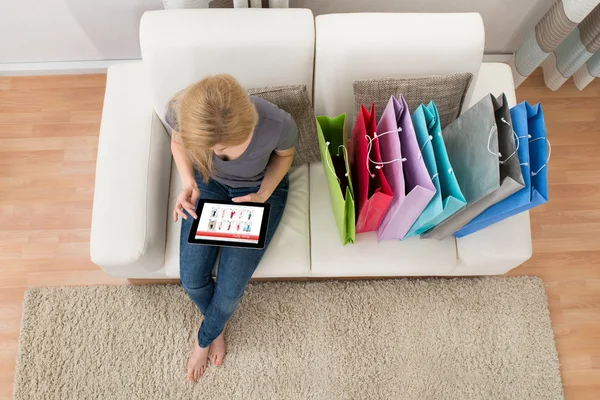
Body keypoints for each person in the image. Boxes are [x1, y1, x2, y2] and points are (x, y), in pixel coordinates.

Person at [167, 74, 297, 381]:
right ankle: (218, 326)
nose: (220, 151)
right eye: (211, 146)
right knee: (192, 280)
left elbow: (285, 156)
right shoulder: (181, 110)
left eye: (225, 146)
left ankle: (205, 337)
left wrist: (263, 195)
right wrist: (187, 183)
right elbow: (177, 142)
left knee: (229, 290)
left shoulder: (278, 124)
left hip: (259, 190)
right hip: (208, 184)